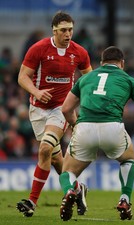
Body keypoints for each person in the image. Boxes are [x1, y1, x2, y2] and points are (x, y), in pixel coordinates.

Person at [59, 46, 134, 221]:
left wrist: (75, 125)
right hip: (112, 127)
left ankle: (71, 190)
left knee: (67, 171)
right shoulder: (128, 80)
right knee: (128, 158)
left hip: (85, 127)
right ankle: (125, 199)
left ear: (101, 63)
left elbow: (65, 109)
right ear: (122, 63)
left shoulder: (86, 78)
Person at [16, 11, 92, 217]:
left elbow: (89, 81)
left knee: (45, 149)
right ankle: (77, 189)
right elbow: (22, 77)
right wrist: (36, 92)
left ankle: (32, 202)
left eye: (70, 30)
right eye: (63, 30)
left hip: (61, 110)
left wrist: (82, 105)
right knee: (57, 161)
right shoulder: (39, 48)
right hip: (38, 110)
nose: (68, 34)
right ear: (54, 30)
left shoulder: (80, 52)